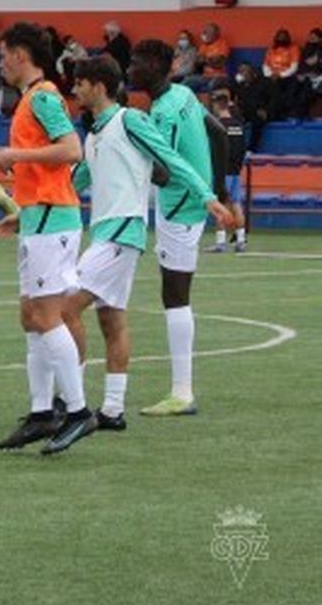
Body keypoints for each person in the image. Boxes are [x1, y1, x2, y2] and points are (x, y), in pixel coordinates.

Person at [61, 56, 233, 432]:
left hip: (123, 233)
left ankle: (70, 406)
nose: (74, 89)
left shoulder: (132, 120)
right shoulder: (94, 134)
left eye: (79, 83)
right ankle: (112, 411)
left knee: (64, 309)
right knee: (112, 321)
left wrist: (207, 195)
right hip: (107, 233)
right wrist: (30, 209)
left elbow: (170, 158)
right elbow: (74, 183)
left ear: (98, 86)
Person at [0, 22, 95, 455]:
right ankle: (42, 413)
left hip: (52, 219)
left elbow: (71, 150)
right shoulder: (31, 99)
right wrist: (3, 168)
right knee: (31, 316)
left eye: (4, 54)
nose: (0, 62)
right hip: (40, 216)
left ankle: (78, 411)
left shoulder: (42, 97)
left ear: (22, 55)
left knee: (46, 317)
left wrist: (12, 156)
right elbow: (46, 162)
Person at [127, 38, 229, 418]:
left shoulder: (164, 113)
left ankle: (182, 391)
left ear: (157, 65)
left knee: (175, 294)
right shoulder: (185, 94)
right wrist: (217, 188)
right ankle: (180, 390)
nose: (130, 68)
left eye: (137, 61)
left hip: (180, 206)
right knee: (175, 293)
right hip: (193, 201)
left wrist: (131, 155)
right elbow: (218, 134)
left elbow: (165, 171)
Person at [209, 90, 248, 253]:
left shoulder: (217, 125)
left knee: (219, 206)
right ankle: (240, 240)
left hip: (222, 172)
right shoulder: (238, 125)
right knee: (236, 205)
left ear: (217, 105)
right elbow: (242, 148)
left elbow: (214, 150)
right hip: (235, 171)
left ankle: (220, 242)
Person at [262, 28, 301, 120]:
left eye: (284, 37)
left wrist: (280, 75)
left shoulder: (294, 48)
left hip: (287, 76)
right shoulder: (271, 49)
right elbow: (265, 65)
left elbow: (294, 67)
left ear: (288, 38)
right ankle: (269, 114)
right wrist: (270, 75)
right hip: (271, 76)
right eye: (279, 37)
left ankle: (283, 114)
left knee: (285, 88)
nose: (281, 39)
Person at [186, 23, 231, 93]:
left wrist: (205, 60)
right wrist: (210, 60)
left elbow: (219, 64)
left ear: (216, 34)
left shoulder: (222, 44)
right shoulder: (204, 46)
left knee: (212, 85)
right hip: (205, 76)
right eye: (205, 32)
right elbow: (198, 62)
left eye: (208, 32)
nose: (205, 34)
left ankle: (208, 103)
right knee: (187, 81)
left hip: (219, 76)